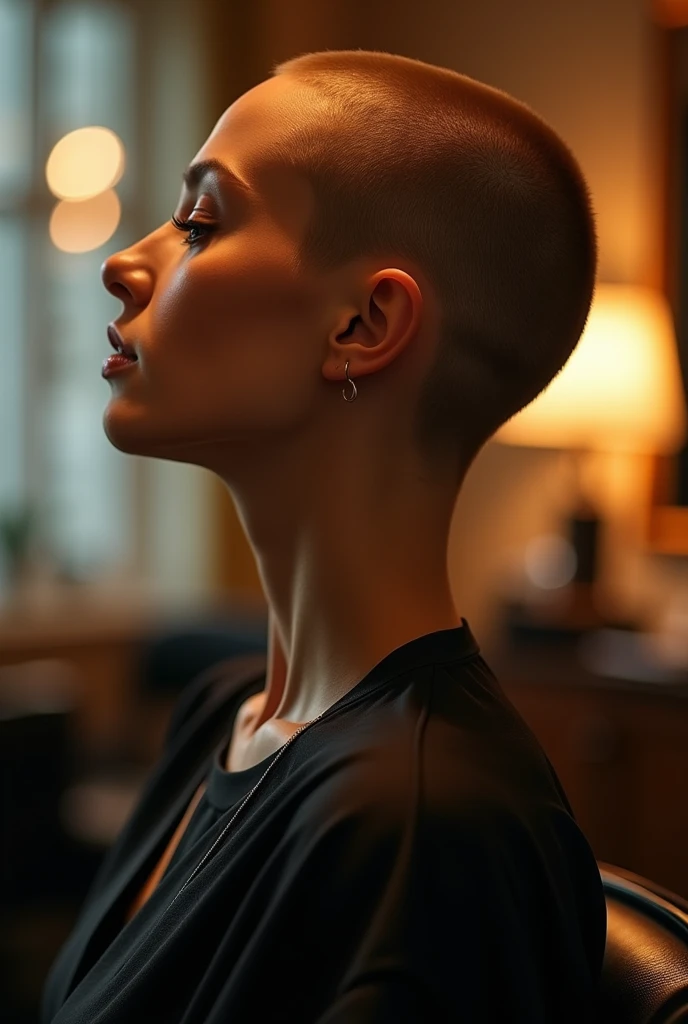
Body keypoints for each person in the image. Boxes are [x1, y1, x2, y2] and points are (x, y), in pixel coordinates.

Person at [42, 48, 606, 1022]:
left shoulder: (423, 830)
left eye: (201, 222)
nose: (123, 262)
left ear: (363, 321)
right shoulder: (220, 716)